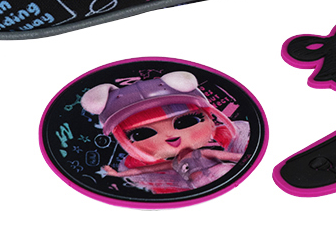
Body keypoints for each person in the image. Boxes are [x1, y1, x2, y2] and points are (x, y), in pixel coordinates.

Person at [81, 70, 250, 193]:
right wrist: (118, 174)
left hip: (223, 175)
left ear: (210, 118)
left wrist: (247, 159)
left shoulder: (203, 153)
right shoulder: (174, 165)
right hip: (198, 186)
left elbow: (233, 157)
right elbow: (143, 171)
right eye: (141, 134)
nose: (170, 136)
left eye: (187, 121)